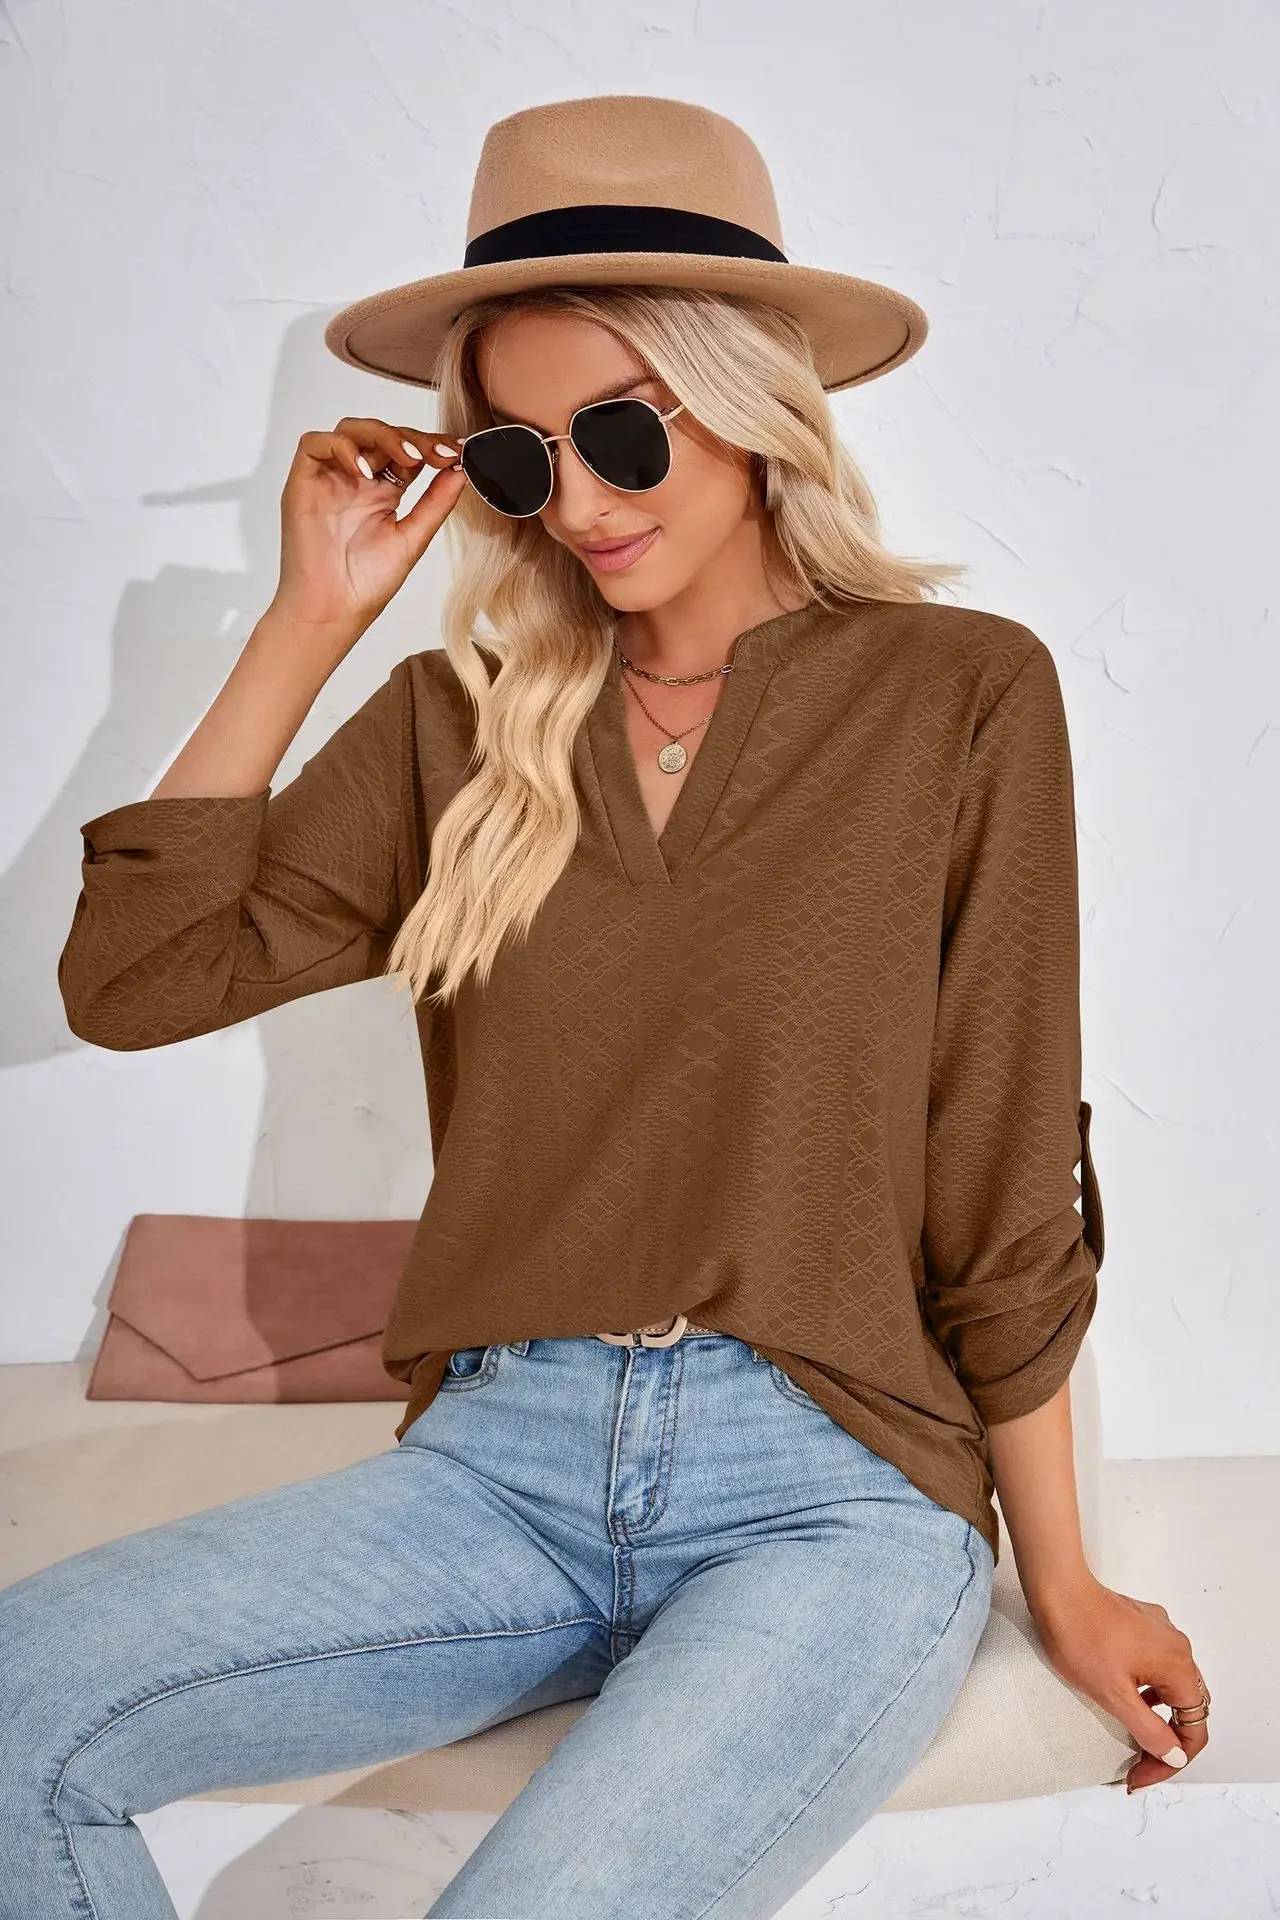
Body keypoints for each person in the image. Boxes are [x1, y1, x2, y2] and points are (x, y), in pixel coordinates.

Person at [2, 95, 1208, 1920]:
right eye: (515, 458)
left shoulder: (956, 694)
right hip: (498, 1471)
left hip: (830, 1490)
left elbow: (1003, 1160)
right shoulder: (460, 728)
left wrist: (1066, 1575)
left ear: (750, 400)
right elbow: (131, 982)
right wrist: (310, 621)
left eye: (624, 432)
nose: (576, 503)